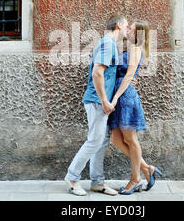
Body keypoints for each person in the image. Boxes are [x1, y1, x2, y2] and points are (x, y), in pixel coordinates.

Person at [64, 15, 129, 196]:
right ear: (118, 25)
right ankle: (72, 177)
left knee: (101, 142)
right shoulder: (108, 44)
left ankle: (97, 182)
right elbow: (97, 73)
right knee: (94, 140)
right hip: (96, 101)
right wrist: (104, 101)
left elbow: (106, 74)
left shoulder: (109, 44)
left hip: (99, 101)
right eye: (126, 26)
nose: (128, 29)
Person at [107, 20, 163, 195]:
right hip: (119, 93)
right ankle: (148, 168)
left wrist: (115, 97)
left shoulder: (135, 49)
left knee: (131, 140)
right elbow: (124, 73)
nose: (128, 29)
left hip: (124, 98)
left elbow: (130, 74)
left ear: (138, 33)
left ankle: (135, 178)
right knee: (116, 140)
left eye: (131, 28)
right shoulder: (128, 48)